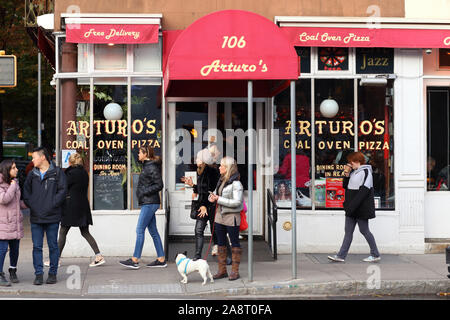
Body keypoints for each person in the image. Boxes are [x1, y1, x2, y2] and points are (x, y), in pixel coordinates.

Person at [23, 147, 67, 285]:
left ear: (43, 157)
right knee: (37, 247)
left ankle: (52, 274)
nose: (32, 159)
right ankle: (38, 274)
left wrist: (51, 205)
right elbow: (26, 193)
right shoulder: (32, 174)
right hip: (36, 216)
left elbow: (62, 191)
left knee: (53, 246)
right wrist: (34, 206)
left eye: (34, 157)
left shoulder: (57, 172)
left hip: (52, 216)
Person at [328, 151, 381, 263]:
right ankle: (341, 256)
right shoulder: (354, 172)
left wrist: (351, 206)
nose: (350, 164)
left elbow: (363, 192)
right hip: (351, 208)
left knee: (364, 230)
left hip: (360, 208)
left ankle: (375, 254)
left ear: (357, 161)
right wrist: (346, 174)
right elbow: (345, 186)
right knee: (348, 232)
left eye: (351, 162)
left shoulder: (366, 172)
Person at [119, 146, 165, 269]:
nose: (138, 154)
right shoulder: (147, 165)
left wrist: (144, 191)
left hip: (150, 203)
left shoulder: (152, 167)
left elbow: (159, 184)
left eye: (139, 152)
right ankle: (161, 259)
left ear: (145, 154)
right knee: (153, 231)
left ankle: (135, 259)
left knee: (140, 230)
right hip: (148, 202)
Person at [56, 153, 105, 267]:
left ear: (71, 162)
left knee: (63, 231)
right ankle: (98, 255)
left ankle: (56, 259)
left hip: (71, 206)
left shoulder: (71, 174)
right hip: (83, 205)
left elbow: (63, 187)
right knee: (85, 232)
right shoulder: (84, 173)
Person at [208, 156, 244, 281]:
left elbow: (237, 202)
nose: (219, 167)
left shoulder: (236, 183)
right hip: (219, 216)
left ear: (227, 168)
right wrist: (211, 198)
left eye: (222, 165)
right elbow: (215, 193)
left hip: (232, 217)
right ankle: (222, 270)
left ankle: (235, 271)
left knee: (234, 244)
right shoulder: (221, 180)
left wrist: (219, 199)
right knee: (220, 244)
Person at [182, 149, 220, 261]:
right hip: (204, 205)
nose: (196, 160)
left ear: (203, 160)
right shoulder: (201, 170)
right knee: (199, 230)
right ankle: (197, 255)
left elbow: (209, 190)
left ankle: (223, 253)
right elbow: (202, 189)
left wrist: (203, 205)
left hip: (209, 206)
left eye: (198, 158)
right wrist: (193, 185)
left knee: (216, 230)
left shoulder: (210, 171)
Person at [0, 160, 26, 286]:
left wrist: (28, 204)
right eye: (14, 168)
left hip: (15, 222)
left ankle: (12, 270)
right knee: (3, 249)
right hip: (4, 223)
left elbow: (16, 202)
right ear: (7, 170)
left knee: (15, 249)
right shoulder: (4, 184)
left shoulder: (14, 183)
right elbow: (4, 199)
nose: (16, 170)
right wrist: (13, 185)